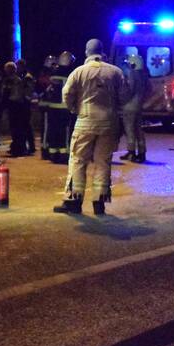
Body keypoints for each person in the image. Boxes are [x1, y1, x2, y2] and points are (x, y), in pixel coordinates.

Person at [54, 39, 125, 216]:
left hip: (85, 121)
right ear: (102, 52)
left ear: (87, 52)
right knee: (103, 162)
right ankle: (99, 203)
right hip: (109, 122)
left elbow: (67, 93)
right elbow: (123, 95)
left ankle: (74, 201)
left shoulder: (79, 72)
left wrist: (74, 109)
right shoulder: (115, 72)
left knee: (78, 160)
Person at [40, 51, 75, 163]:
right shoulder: (71, 74)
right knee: (65, 131)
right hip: (65, 107)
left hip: (52, 107)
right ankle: (64, 154)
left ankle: (53, 153)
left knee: (53, 131)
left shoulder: (52, 73)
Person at [120, 53, 149, 163]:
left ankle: (131, 152)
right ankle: (142, 153)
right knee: (139, 130)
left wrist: (122, 100)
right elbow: (149, 89)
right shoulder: (144, 75)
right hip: (139, 106)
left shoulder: (133, 74)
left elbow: (130, 89)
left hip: (129, 106)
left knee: (129, 130)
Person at [0, 61, 31, 156]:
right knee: (17, 128)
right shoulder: (17, 79)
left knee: (16, 128)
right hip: (16, 105)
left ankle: (19, 148)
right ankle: (18, 147)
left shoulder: (12, 80)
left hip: (15, 105)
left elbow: (7, 93)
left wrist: (4, 104)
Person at [15, 58, 37, 155]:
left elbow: (28, 91)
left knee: (26, 126)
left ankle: (30, 147)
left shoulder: (27, 77)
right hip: (22, 103)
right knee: (24, 126)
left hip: (25, 103)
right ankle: (25, 146)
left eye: (18, 66)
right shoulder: (21, 76)